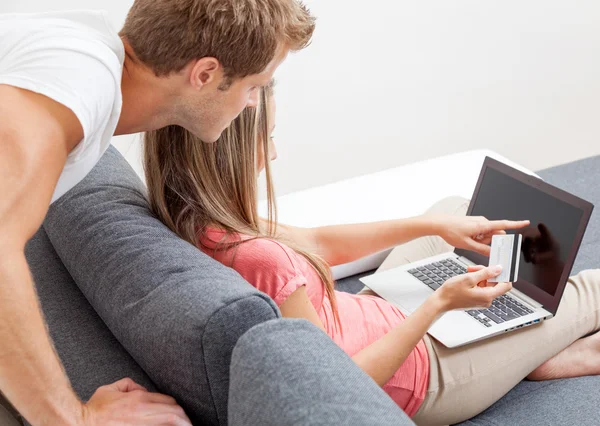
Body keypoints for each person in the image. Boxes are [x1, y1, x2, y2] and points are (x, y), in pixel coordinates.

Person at [144, 86, 600, 425]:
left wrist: (432, 227)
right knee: (588, 290)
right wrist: (439, 305)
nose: (275, 152)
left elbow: (318, 241)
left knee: (453, 209)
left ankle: (527, 344)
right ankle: (536, 339)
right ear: (232, 152)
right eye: (269, 137)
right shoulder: (265, 261)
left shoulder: (201, 220)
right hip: (422, 374)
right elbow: (339, 381)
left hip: (369, 311)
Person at [0, 1, 315, 425]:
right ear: (205, 75)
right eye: (255, 85)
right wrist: (74, 418)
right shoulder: (78, 77)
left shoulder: (81, 57)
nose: (254, 103)